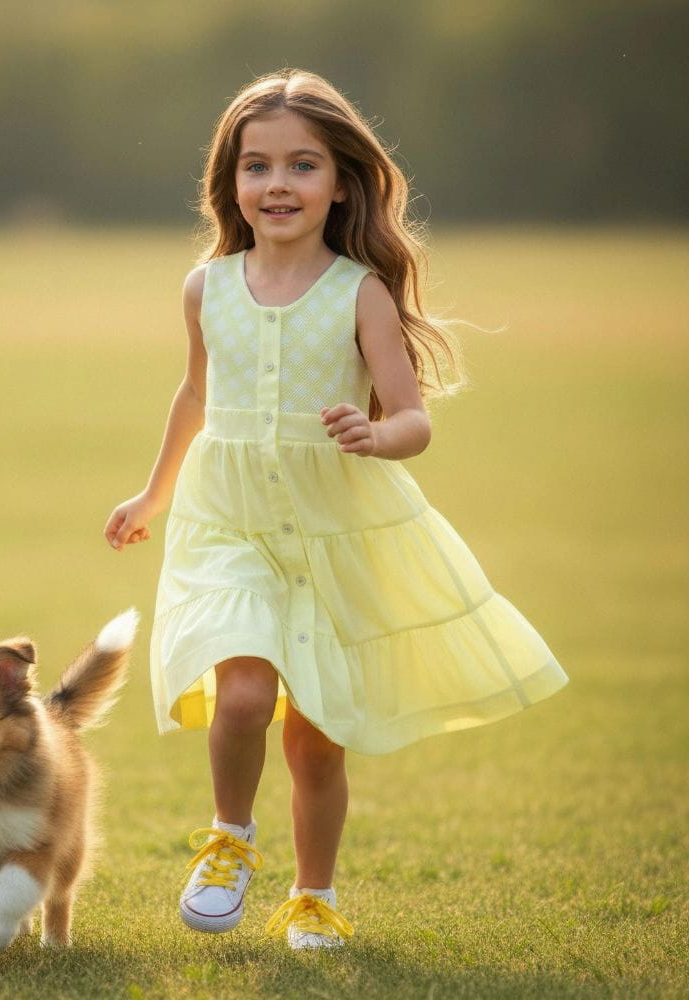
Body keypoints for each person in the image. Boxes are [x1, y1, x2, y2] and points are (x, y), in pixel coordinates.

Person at [103, 69, 568, 951]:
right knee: (241, 695)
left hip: (332, 530)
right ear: (230, 182)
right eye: (257, 166)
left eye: (303, 165)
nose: (277, 184)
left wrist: (375, 434)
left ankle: (313, 896)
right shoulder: (207, 286)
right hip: (228, 523)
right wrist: (151, 495)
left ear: (342, 182)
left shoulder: (361, 292)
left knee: (317, 739)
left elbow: (415, 420)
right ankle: (229, 841)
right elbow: (195, 395)